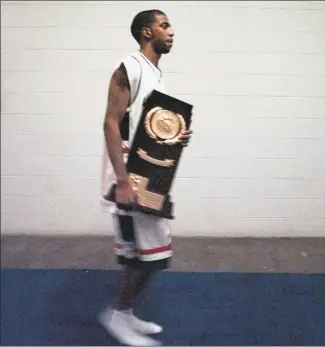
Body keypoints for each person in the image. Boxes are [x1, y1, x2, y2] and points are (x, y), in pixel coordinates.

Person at [98, 9, 192, 346]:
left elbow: (146, 128)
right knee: (140, 255)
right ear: (146, 32)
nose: (171, 32)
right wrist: (122, 181)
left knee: (153, 255)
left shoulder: (156, 75)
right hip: (128, 177)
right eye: (164, 25)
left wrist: (174, 136)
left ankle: (124, 314)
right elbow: (111, 122)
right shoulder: (130, 67)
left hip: (149, 175)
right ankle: (117, 315)